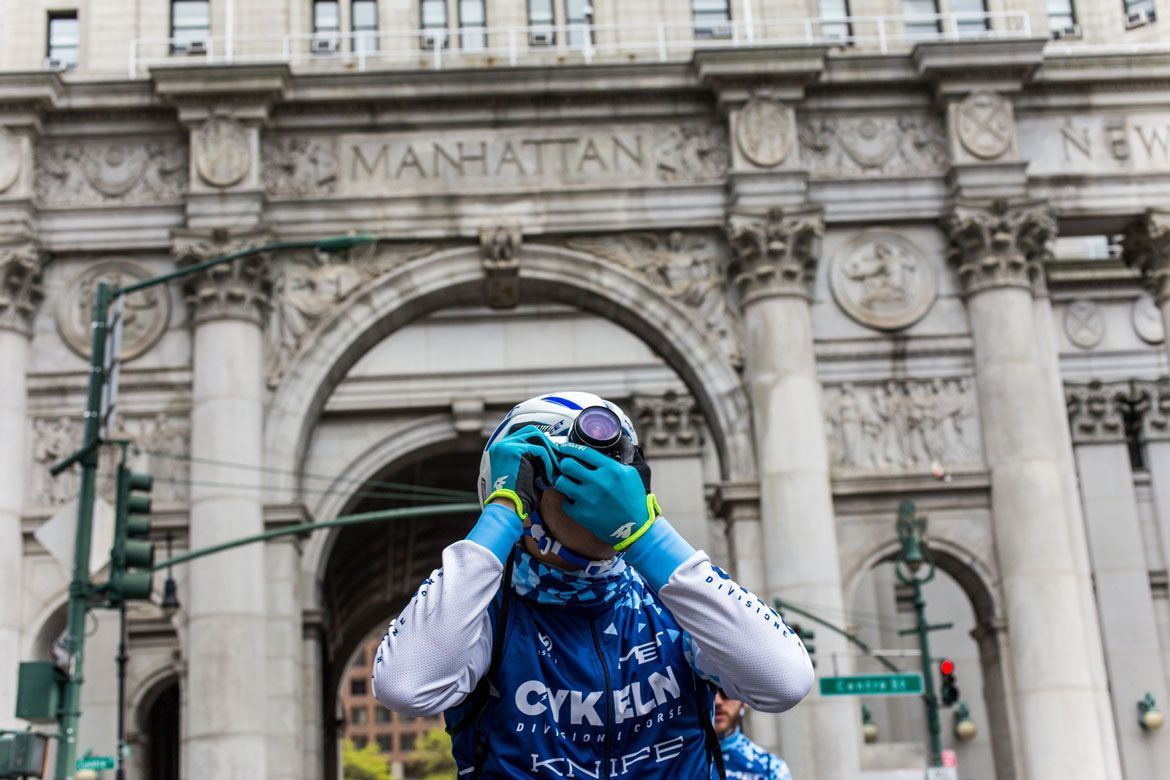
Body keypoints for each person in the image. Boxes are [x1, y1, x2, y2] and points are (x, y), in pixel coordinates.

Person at [372, 391, 814, 778]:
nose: (604, 485)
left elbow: (784, 680)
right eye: (576, 474)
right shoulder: (484, 612)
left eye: (617, 470)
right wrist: (502, 514)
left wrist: (647, 534)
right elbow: (405, 685)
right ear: (529, 493)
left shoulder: (673, 599)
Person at [714, 688, 794, 780]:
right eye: (708, 693)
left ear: (745, 700)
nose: (717, 701)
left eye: (726, 691)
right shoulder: (693, 760)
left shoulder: (770, 768)